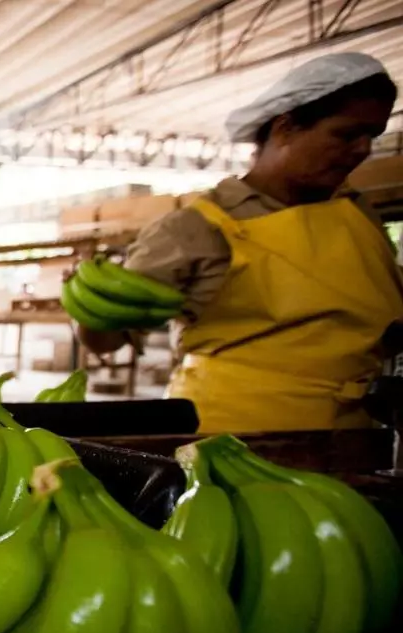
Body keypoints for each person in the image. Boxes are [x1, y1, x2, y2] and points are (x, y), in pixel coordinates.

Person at [76, 52, 402, 434]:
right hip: (234, 436)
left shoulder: (357, 212)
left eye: (372, 136)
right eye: (347, 134)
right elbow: (106, 340)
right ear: (285, 129)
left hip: (355, 434)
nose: (363, 149)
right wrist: (91, 309)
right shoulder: (194, 229)